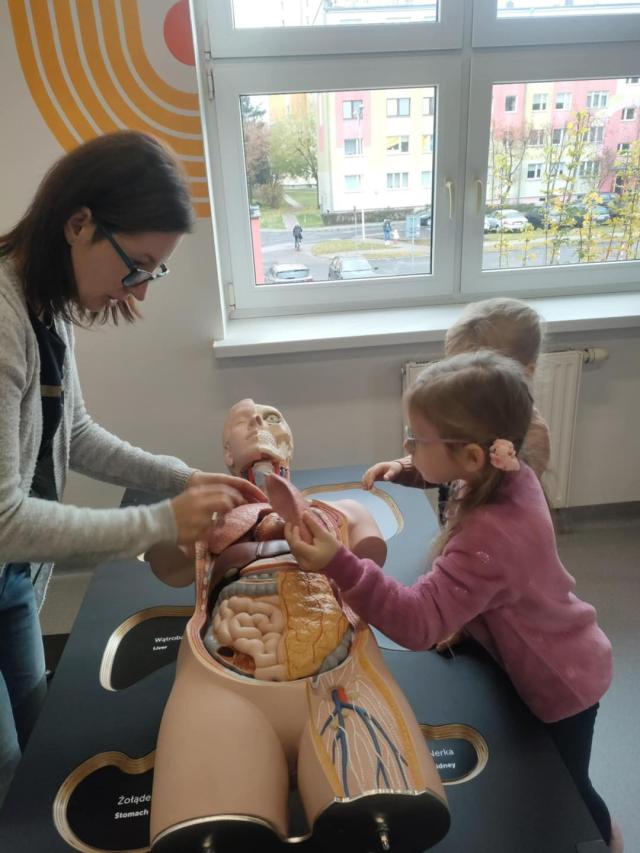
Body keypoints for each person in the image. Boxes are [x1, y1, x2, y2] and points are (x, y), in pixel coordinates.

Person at [0, 131, 260, 806]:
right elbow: (4, 520)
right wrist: (161, 521)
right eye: (136, 265)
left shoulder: (44, 303)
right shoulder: (3, 320)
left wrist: (182, 479)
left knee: (38, 729)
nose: (138, 288)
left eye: (153, 272)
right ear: (79, 224)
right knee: (7, 769)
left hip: (11, 579)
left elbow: (75, 434)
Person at [286, 351, 620, 851]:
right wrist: (411, 470)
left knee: (566, 792)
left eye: (417, 439)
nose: (407, 445)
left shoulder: (491, 537)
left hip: (560, 684)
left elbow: (419, 622)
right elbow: (458, 475)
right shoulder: (504, 470)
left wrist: (340, 563)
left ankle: (604, 840)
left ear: (472, 455)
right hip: (555, 646)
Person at [146, 399, 449, 853]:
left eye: (272, 417)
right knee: (212, 821)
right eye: (243, 420)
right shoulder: (205, 520)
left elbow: (369, 560)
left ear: (290, 441)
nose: (258, 422)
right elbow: (165, 562)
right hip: (225, 676)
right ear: (226, 452)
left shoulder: (345, 512)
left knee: (384, 803)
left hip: (341, 668)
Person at [362, 297, 551, 512]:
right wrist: (402, 467)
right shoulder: (468, 415)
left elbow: (504, 505)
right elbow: (448, 461)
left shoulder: (531, 438)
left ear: (524, 373)